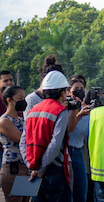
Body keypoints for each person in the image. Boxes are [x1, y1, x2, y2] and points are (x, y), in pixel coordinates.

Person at [20, 71, 73, 202]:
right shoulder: (61, 111)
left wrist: (32, 167)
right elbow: (55, 144)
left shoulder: (33, 110)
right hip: (53, 169)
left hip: (33, 170)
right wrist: (41, 168)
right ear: (62, 92)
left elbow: (23, 141)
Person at [0, 85, 29, 202]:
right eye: (20, 98)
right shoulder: (4, 121)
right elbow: (22, 139)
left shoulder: (22, 120)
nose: (23, 101)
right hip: (13, 168)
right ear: (9, 100)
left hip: (25, 168)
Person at [68, 75, 92, 202]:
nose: (80, 91)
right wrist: (79, 115)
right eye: (76, 89)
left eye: (82, 89)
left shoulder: (87, 110)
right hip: (66, 151)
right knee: (68, 192)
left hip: (79, 151)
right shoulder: (65, 109)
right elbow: (68, 129)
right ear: (68, 91)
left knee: (82, 191)